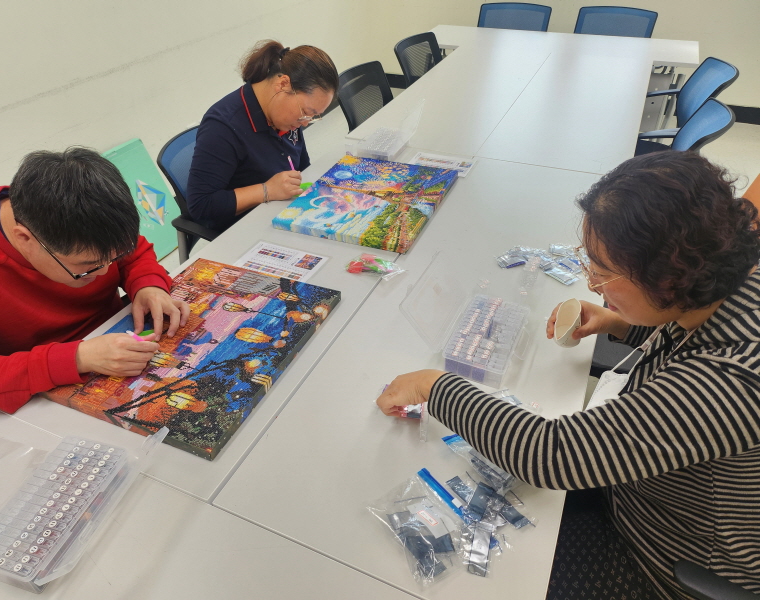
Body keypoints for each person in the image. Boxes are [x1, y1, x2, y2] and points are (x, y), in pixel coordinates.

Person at [377, 151, 760, 600]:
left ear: (669, 280)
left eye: (603, 270)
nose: (591, 282)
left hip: (662, 558)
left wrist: (434, 386)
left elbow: (550, 453)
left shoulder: (732, 379)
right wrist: (621, 322)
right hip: (645, 491)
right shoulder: (726, 284)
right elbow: (682, 330)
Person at [0, 147, 190, 414]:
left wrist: (148, 285)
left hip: (113, 340)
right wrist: (79, 358)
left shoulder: (83, 213)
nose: (105, 272)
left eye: (114, 258)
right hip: (37, 389)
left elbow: (134, 253)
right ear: (24, 239)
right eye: (88, 266)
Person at [186, 40, 338, 233]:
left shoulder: (286, 116)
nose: (306, 123)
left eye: (313, 116)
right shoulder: (223, 127)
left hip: (282, 213)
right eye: (306, 112)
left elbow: (302, 168)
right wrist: (267, 190)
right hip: (241, 229)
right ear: (283, 84)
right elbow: (201, 205)